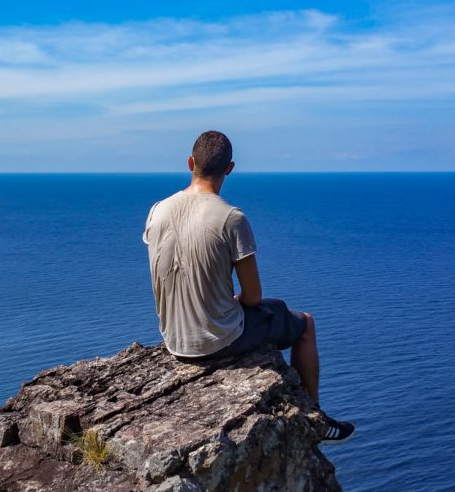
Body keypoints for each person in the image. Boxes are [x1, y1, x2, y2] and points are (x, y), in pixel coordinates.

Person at [142, 130, 354, 444]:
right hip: (217, 341)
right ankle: (316, 416)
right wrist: (234, 300)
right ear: (229, 168)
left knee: (275, 311)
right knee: (305, 323)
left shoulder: (157, 211)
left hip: (174, 338)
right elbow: (253, 296)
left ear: (190, 162)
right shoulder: (231, 218)